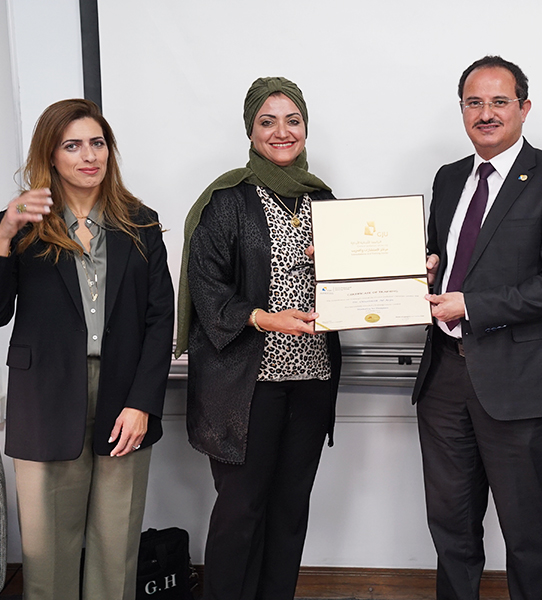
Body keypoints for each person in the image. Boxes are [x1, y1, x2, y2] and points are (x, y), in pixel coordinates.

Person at [412, 56, 542, 600]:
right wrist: (421, 269)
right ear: (462, 110)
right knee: (450, 527)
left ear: (524, 108)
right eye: (474, 102)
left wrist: (470, 305)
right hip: (444, 378)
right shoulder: (448, 179)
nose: (485, 113)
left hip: (521, 381)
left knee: (527, 531)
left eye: (499, 102)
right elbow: (442, 258)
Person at [0, 98, 174, 600]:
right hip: (45, 397)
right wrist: (4, 234)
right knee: (47, 555)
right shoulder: (20, 224)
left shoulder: (141, 223)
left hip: (124, 395)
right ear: (50, 156)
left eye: (97, 143)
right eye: (72, 146)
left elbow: (160, 320)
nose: (89, 155)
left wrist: (142, 403)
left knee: (115, 548)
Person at [175, 77, 341, 600]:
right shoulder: (226, 200)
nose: (281, 131)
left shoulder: (324, 199)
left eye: (293, 120)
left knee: (290, 511)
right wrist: (266, 319)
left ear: (306, 127)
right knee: (240, 511)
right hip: (248, 386)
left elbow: (353, 278)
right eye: (267, 121)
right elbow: (207, 286)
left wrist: (403, 273)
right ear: (250, 130)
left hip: (311, 378)